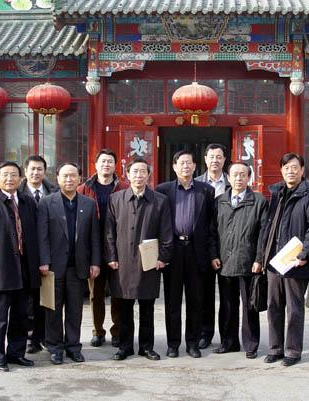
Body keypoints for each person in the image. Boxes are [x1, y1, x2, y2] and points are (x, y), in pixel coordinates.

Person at [257, 153, 309, 367]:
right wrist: (261, 257)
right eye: (286, 167)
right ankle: (275, 348)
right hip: (274, 261)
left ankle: (293, 351)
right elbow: (267, 227)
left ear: (302, 170)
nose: (291, 171)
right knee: (273, 306)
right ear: (281, 170)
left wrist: (305, 254)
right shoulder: (276, 194)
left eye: (295, 167)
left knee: (294, 309)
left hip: (296, 261)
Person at [105, 158, 173, 361]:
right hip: (123, 261)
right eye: (134, 171)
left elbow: (166, 231)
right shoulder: (115, 199)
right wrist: (111, 257)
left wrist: (163, 257)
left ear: (148, 175)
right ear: (127, 174)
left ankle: (146, 347)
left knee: (147, 307)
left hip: (149, 261)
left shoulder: (160, 200)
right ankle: (125, 346)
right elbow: (109, 232)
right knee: (124, 306)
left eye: (143, 171)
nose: (139, 175)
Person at [0, 161, 40, 371]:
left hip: (25, 270)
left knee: (21, 316)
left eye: (14, 174)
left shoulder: (28, 202)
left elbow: (36, 236)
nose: (10, 178)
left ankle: (16, 353)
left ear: (21, 179)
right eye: (5, 175)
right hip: (0, 270)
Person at [37, 162, 101, 365]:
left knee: (75, 309)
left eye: (73, 175)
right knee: (53, 310)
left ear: (79, 178)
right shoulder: (47, 203)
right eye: (65, 176)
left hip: (78, 266)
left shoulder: (88, 204)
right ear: (57, 178)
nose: (69, 179)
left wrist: (95, 262)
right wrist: (44, 261)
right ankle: (55, 347)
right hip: (53, 267)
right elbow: (42, 235)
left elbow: (94, 237)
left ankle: (73, 346)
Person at [156, 150, 216, 359]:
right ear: (174, 166)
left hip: (196, 251)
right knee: (172, 301)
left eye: (189, 163)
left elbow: (211, 225)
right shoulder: (163, 190)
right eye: (181, 163)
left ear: (195, 166)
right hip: (172, 251)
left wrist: (210, 253)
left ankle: (192, 343)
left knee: (196, 301)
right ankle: (173, 344)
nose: (185, 166)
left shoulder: (206, 191)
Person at [210, 161, 267, 359]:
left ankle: (251, 344)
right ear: (228, 177)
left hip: (248, 262)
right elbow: (212, 232)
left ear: (249, 177)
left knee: (250, 305)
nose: (239, 178)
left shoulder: (258, 201)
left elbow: (263, 234)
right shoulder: (220, 201)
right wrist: (213, 255)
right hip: (224, 261)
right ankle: (229, 342)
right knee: (227, 305)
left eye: (243, 174)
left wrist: (259, 258)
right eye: (235, 174)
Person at [77, 149, 126, 348]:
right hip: (93, 248)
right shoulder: (84, 188)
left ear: (115, 165)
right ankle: (98, 331)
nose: (106, 165)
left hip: (118, 248)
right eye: (103, 161)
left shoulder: (123, 188)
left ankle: (117, 331)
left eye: (110, 161)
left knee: (117, 293)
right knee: (95, 294)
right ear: (96, 165)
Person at [19, 155, 58, 354]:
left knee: (47, 298)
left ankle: (43, 336)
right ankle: (29, 338)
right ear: (25, 171)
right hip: (25, 255)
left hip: (50, 253)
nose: (36, 173)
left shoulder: (53, 192)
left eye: (39, 169)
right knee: (28, 300)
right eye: (32, 169)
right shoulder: (17, 193)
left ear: (45, 171)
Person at [196, 143, 231, 350]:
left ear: (224, 159)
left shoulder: (233, 182)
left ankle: (227, 336)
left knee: (228, 296)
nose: (215, 160)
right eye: (211, 156)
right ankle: (205, 333)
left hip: (228, 245)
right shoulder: (197, 183)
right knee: (205, 294)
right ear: (205, 159)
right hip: (204, 246)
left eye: (219, 156)